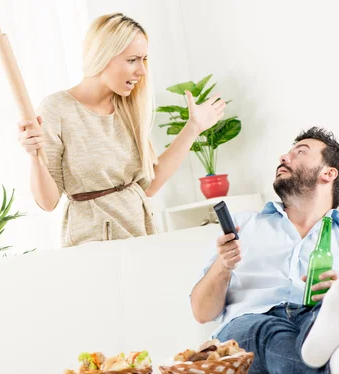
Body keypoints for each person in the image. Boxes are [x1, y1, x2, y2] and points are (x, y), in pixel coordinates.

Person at [190, 127, 339, 374]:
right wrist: (222, 266)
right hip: (249, 329)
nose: (284, 156)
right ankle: (335, 370)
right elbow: (202, 312)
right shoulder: (244, 226)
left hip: (313, 321)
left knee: (321, 319)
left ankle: (329, 350)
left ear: (328, 173)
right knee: (264, 331)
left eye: (300, 152)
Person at [17, 13, 226, 247]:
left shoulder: (128, 108)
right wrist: (35, 156)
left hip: (141, 236)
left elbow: (149, 185)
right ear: (103, 56)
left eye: (144, 60)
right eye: (132, 60)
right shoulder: (57, 109)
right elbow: (47, 202)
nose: (142, 71)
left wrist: (193, 128)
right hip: (92, 245)